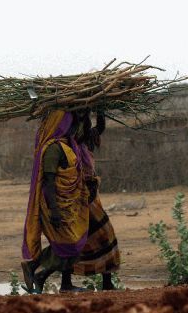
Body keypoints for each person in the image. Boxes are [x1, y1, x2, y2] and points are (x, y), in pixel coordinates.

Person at [21, 110, 91, 293]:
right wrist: (54, 210)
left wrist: (91, 112)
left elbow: (91, 132)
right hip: (56, 205)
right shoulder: (53, 149)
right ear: (62, 125)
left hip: (70, 204)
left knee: (72, 244)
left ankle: (61, 282)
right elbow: (49, 181)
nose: (74, 127)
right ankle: (36, 269)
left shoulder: (70, 145)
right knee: (69, 245)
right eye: (71, 123)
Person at [72, 109, 121, 290]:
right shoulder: (72, 144)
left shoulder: (86, 142)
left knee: (91, 238)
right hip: (80, 197)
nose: (87, 126)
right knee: (101, 236)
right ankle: (105, 282)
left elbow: (100, 127)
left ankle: (106, 282)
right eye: (84, 123)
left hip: (90, 197)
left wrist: (100, 108)